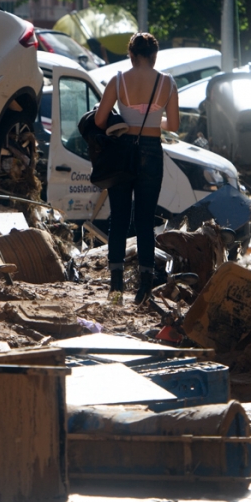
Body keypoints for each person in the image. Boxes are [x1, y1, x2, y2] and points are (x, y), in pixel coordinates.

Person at [93, 32, 180, 303]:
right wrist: (154, 122)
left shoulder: (118, 80)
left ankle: (116, 287)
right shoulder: (167, 83)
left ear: (131, 55)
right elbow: (174, 126)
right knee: (145, 219)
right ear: (155, 56)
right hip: (152, 152)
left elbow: (99, 120)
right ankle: (144, 286)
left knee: (118, 217)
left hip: (122, 152)